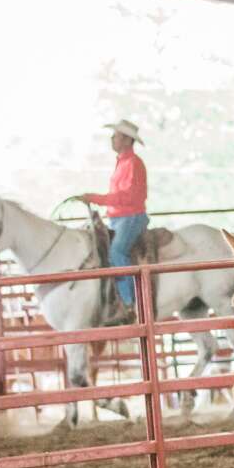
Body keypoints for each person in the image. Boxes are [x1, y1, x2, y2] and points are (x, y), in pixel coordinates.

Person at [80, 119, 149, 321]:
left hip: (131, 217)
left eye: (116, 135)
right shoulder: (124, 163)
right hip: (120, 218)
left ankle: (130, 303)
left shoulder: (133, 164)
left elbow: (129, 197)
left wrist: (97, 199)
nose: (112, 138)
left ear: (127, 140)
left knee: (116, 252)